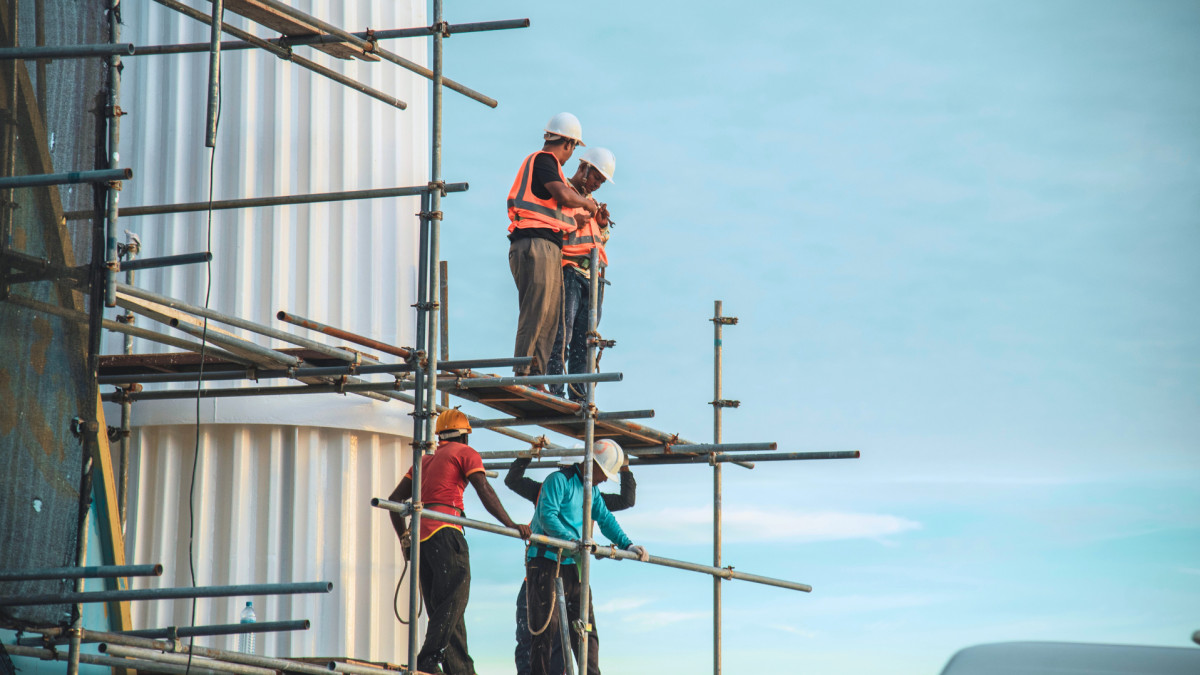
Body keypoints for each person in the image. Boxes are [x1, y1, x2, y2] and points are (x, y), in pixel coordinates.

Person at [388, 410, 532, 675]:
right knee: (456, 598)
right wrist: (510, 524)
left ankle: (460, 670)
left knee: (446, 610)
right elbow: (484, 489)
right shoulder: (465, 453)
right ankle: (427, 659)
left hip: (421, 538)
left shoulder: (424, 460)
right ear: (465, 435)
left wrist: (405, 539)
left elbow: (394, 502)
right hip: (446, 530)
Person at [524, 439, 649, 675]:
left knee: (586, 631)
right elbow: (548, 516)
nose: (604, 479)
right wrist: (574, 542)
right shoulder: (558, 481)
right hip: (546, 562)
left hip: (574, 565)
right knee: (544, 632)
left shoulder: (592, 490)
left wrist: (627, 544)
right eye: (604, 473)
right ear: (591, 464)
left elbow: (605, 519)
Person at [507, 112, 601, 380]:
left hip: (547, 245)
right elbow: (562, 194)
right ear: (569, 143)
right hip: (533, 243)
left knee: (550, 317)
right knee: (536, 310)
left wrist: (582, 217)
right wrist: (585, 203)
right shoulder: (544, 160)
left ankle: (537, 375)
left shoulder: (552, 170)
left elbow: (557, 211)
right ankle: (523, 372)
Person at [546, 147, 616, 401]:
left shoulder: (591, 203)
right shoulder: (562, 190)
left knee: (584, 341)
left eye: (601, 181)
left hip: (592, 277)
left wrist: (603, 224)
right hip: (569, 270)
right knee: (561, 332)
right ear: (584, 168)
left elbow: (599, 241)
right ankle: (554, 389)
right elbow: (553, 226)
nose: (598, 184)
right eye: (596, 177)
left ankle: (578, 395)